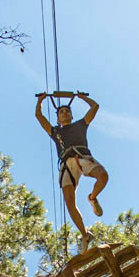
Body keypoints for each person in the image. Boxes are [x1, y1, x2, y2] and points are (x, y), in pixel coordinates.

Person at [36, 92, 108, 253]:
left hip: (83, 157)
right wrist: (41, 101)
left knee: (103, 176)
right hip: (67, 164)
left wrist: (81, 97)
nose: (64, 113)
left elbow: (95, 107)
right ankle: (85, 234)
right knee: (69, 201)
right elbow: (39, 116)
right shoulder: (55, 132)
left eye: (67, 111)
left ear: (71, 114)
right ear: (57, 118)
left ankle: (92, 198)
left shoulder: (80, 125)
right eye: (61, 112)